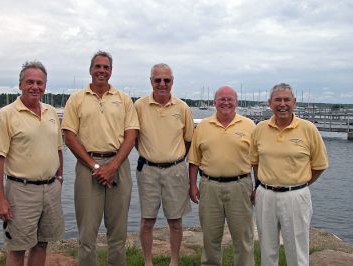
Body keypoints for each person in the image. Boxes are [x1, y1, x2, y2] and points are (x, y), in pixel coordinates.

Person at [61, 51, 139, 266]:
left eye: (106, 67)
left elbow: (131, 135)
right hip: (88, 168)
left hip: (119, 166)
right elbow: (69, 136)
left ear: (111, 71)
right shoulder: (76, 99)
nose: (101, 71)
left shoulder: (123, 99)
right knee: (87, 235)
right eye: (98, 66)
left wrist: (112, 166)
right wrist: (96, 166)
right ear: (90, 69)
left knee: (118, 234)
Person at [0, 61, 64, 266]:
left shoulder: (51, 113)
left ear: (45, 86)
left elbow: (58, 149)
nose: (35, 86)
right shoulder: (7, 114)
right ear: (20, 84)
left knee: (42, 244)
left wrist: (59, 179)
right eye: (30, 82)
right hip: (20, 192)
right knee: (17, 248)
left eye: (39, 83)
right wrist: (0, 199)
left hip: (50, 190)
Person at [250, 83, 329, 266]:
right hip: (265, 195)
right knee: (267, 250)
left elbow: (319, 165)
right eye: (278, 99)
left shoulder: (308, 129)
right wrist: (258, 186)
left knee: (297, 251)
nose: (282, 104)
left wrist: (300, 185)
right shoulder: (260, 129)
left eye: (287, 100)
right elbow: (255, 162)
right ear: (270, 103)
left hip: (296, 196)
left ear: (295, 102)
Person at [135, 63, 194, 266]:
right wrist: (151, 154)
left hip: (176, 171)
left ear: (172, 82)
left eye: (166, 80)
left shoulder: (183, 107)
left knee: (175, 222)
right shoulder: (139, 106)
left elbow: (188, 139)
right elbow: (134, 137)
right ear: (151, 81)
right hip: (148, 171)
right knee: (147, 221)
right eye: (157, 79)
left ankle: (174, 262)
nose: (162, 84)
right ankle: (148, 262)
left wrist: (175, 159)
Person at [189, 86, 255, 266]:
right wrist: (193, 185)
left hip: (241, 186)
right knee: (210, 238)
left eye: (230, 99)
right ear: (214, 102)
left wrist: (257, 186)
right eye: (221, 99)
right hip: (209, 186)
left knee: (243, 238)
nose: (226, 102)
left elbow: (257, 161)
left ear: (236, 102)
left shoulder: (249, 126)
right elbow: (194, 160)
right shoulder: (202, 126)